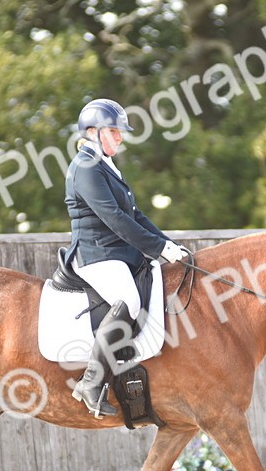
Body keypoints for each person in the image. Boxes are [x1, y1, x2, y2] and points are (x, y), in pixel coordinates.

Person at [64, 98, 187, 418]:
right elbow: (114, 219)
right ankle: (90, 382)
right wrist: (158, 249)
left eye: (120, 132)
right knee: (129, 301)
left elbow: (135, 214)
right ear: (93, 132)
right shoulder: (85, 167)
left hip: (117, 252)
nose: (120, 137)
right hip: (96, 253)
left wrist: (168, 244)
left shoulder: (105, 165)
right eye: (114, 131)